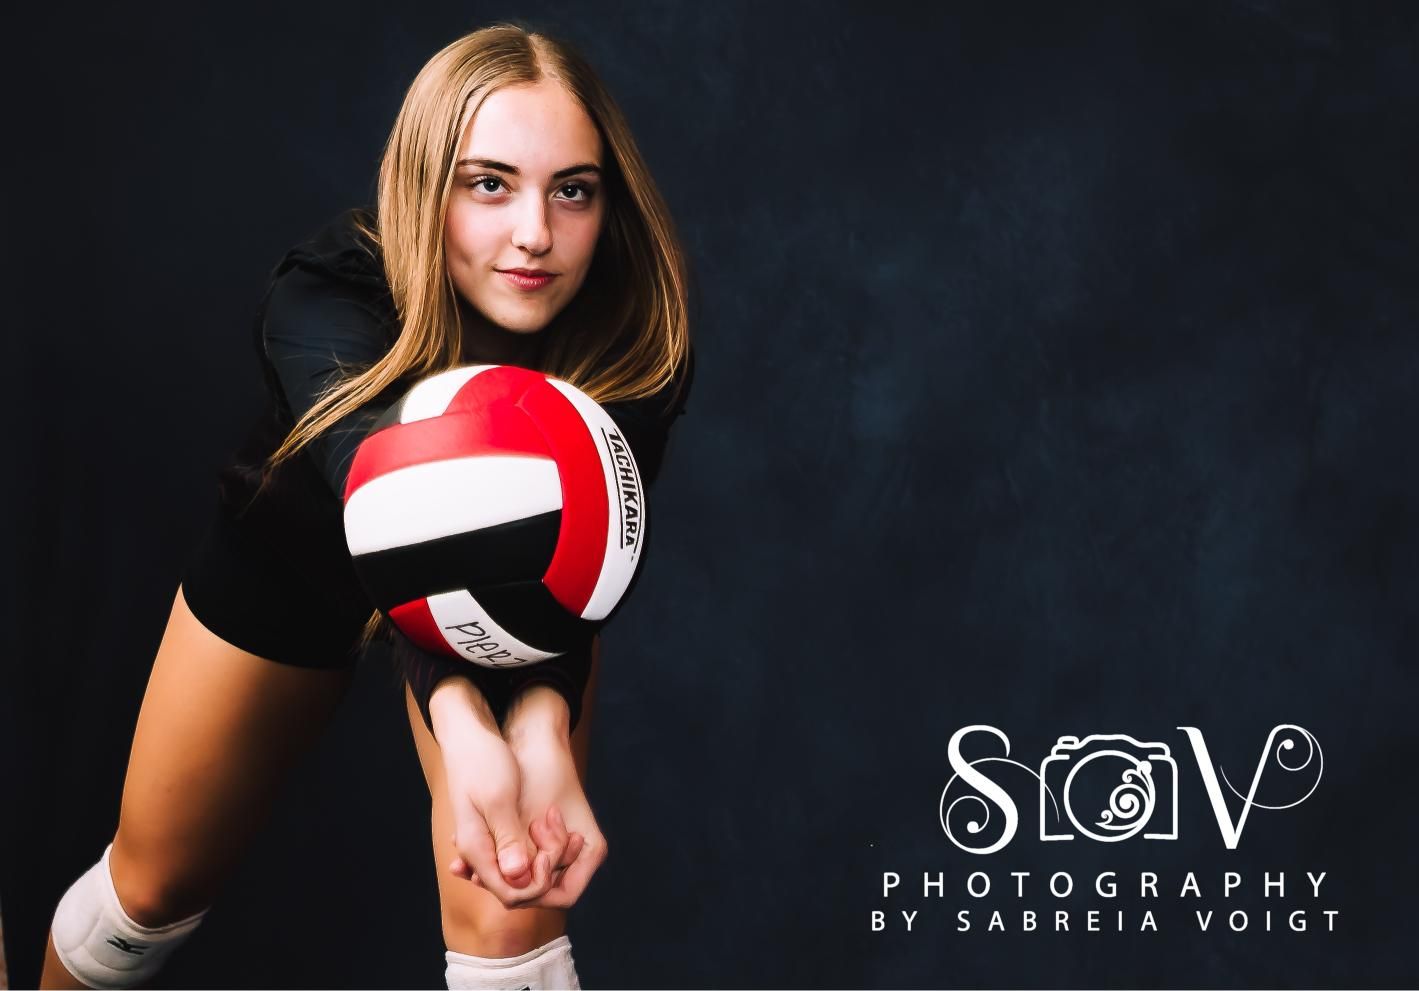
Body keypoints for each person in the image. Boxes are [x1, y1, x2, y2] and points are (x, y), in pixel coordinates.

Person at [39, 21, 694, 991]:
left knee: (515, 928)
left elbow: (576, 563)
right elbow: (406, 519)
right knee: (140, 904)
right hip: (297, 556)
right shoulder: (329, 292)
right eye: (489, 183)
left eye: (573, 190)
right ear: (429, 187)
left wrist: (544, 729)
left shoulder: (634, 334)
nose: (535, 234)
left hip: (508, 601)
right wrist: (468, 726)